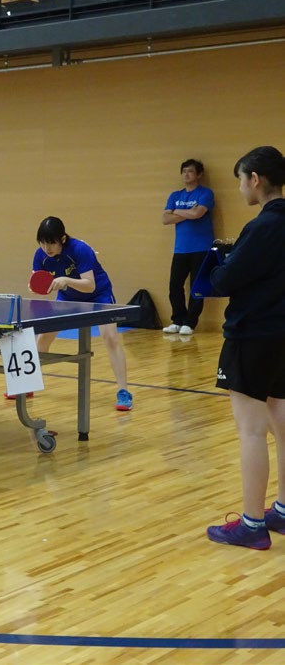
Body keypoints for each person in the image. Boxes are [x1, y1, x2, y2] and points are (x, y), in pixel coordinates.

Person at [205, 146, 285, 550]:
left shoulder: (263, 226)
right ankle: (283, 510)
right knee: (282, 422)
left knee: (251, 431)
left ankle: (253, 523)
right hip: (283, 335)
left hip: (253, 335)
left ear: (255, 179)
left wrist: (221, 262)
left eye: (240, 180)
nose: (240, 188)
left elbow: (224, 280)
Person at [31, 216, 133, 411]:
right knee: (44, 336)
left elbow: (89, 285)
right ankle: (28, 383)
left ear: (62, 239)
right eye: (42, 243)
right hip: (68, 298)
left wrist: (66, 280)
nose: (46, 248)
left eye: (51, 243)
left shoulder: (80, 249)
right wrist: (38, 286)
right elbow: (38, 281)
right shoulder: (40, 256)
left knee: (110, 338)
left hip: (99, 295)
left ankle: (123, 392)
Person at [161, 159, 215, 336]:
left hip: (201, 247)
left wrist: (177, 212)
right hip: (181, 249)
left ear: (199, 174)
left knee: (196, 287)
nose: (186, 174)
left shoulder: (205, 193)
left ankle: (190, 323)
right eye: (184, 171)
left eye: (190, 171)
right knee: (174, 286)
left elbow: (198, 213)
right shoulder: (175, 196)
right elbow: (165, 219)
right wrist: (188, 213)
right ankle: (177, 320)